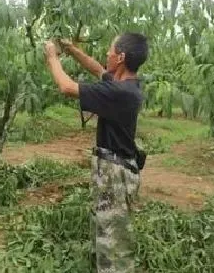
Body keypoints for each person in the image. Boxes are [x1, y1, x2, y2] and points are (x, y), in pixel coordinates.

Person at [43, 33, 148, 273]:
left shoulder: (120, 93)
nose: (107, 55)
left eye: (110, 51)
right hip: (116, 170)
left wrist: (52, 57)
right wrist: (71, 50)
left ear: (120, 57)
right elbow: (97, 69)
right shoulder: (125, 84)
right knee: (110, 234)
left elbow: (66, 87)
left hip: (116, 176)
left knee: (114, 245)